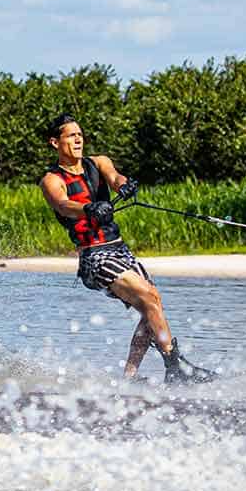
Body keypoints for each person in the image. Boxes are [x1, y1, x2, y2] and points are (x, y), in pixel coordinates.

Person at [37, 113, 213, 384]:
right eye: (71, 135)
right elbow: (62, 204)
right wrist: (88, 208)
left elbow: (115, 177)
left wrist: (124, 185)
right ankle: (176, 368)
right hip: (94, 258)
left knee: (151, 304)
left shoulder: (98, 163)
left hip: (120, 249)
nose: (78, 139)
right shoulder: (52, 179)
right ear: (54, 142)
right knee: (148, 297)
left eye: (80, 134)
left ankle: (129, 377)